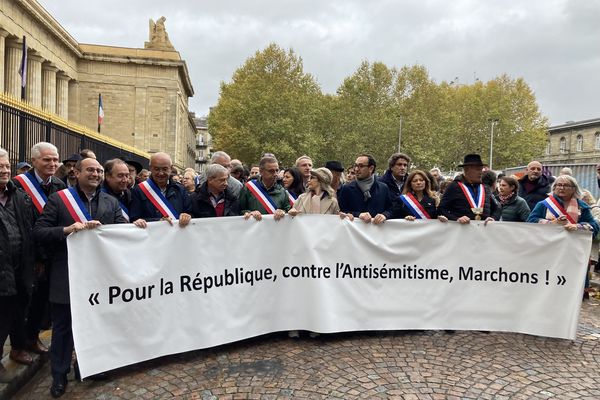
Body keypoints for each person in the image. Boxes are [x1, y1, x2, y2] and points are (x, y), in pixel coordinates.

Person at [34, 157, 128, 397]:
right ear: (76, 172)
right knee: (63, 328)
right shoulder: (59, 200)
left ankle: (88, 367)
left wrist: (136, 225)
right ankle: (59, 374)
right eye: (90, 170)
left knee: (95, 325)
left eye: (98, 170)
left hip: (99, 277)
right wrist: (67, 230)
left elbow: (121, 233)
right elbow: (39, 232)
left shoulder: (111, 201)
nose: (95, 174)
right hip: (66, 274)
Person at [13, 142, 66, 358]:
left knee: (41, 300)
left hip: (51, 253)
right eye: (47, 159)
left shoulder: (60, 185)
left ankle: (32, 338)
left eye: (55, 159)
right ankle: (17, 345)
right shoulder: (17, 185)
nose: (52, 163)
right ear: (34, 161)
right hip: (27, 254)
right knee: (22, 301)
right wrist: (35, 257)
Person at [0, 148, 35, 378]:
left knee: (19, 309)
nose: (4, 171)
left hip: (20, 265)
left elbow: (28, 228)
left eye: (6, 167)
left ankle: (18, 348)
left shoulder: (19, 195)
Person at [130, 152, 192, 227]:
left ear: (171, 168)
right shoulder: (139, 190)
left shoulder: (181, 190)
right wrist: (158, 222)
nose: (161, 173)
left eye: (165, 169)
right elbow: (134, 218)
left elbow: (191, 213)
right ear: (150, 168)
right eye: (156, 169)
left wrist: (187, 216)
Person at [527, 175, 599, 236]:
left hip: (573, 245)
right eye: (559, 185)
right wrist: (551, 223)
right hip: (548, 243)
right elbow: (530, 222)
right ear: (554, 188)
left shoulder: (582, 206)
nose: (562, 188)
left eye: (566, 185)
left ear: (574, 189)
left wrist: (578, 226)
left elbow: (594, 226)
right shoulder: (544, 204)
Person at [439, 154, 498, 223]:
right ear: (466, 170)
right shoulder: (454, 186)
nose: (481, 172)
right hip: (461, 231)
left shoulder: (485, 187)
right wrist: (456, 219)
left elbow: (497, 208)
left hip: (483, 232)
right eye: (478, 169)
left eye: (481, 169)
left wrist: (493, 218)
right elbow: (441, 209)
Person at [338, 154, 393, 224]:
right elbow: (342, 211)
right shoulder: (347, 188)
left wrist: (384, 215)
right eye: (356, 165)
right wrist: (358, 215)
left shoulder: (383, 188)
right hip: (354, 232)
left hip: (377, 232)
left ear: (371, 168)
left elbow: (390, 209)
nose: (356, 169)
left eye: (361, 166)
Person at [239, 155, 290, 221]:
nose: (275, 174)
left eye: (277, 170)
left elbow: (288, 211)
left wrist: (283, 212)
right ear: (261, 171)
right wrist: (249, 213)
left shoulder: (282, 191)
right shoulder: (248, 188)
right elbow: (239, 210)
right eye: (271, 171)